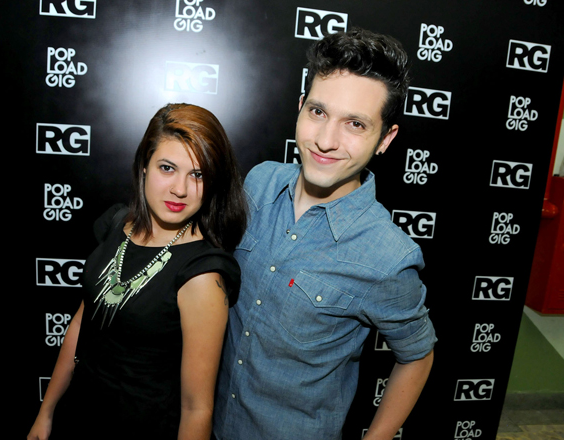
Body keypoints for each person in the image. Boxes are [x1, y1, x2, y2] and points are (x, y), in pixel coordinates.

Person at [213, 28, 437, 440]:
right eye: (318, 112)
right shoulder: (259, 183)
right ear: (300, 108)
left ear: (385, 139)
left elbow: (418, 355)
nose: (326, 140)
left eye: (355, 124)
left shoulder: (388, 257)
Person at [27, 103, 247, 440]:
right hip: (78, 417)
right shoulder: (117, 224)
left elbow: (196, 409)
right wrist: (46, 413)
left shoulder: (201, 276)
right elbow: (81, 326)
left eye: (198, 174)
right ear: (145, 165)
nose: (180, 189)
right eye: (167, 168)